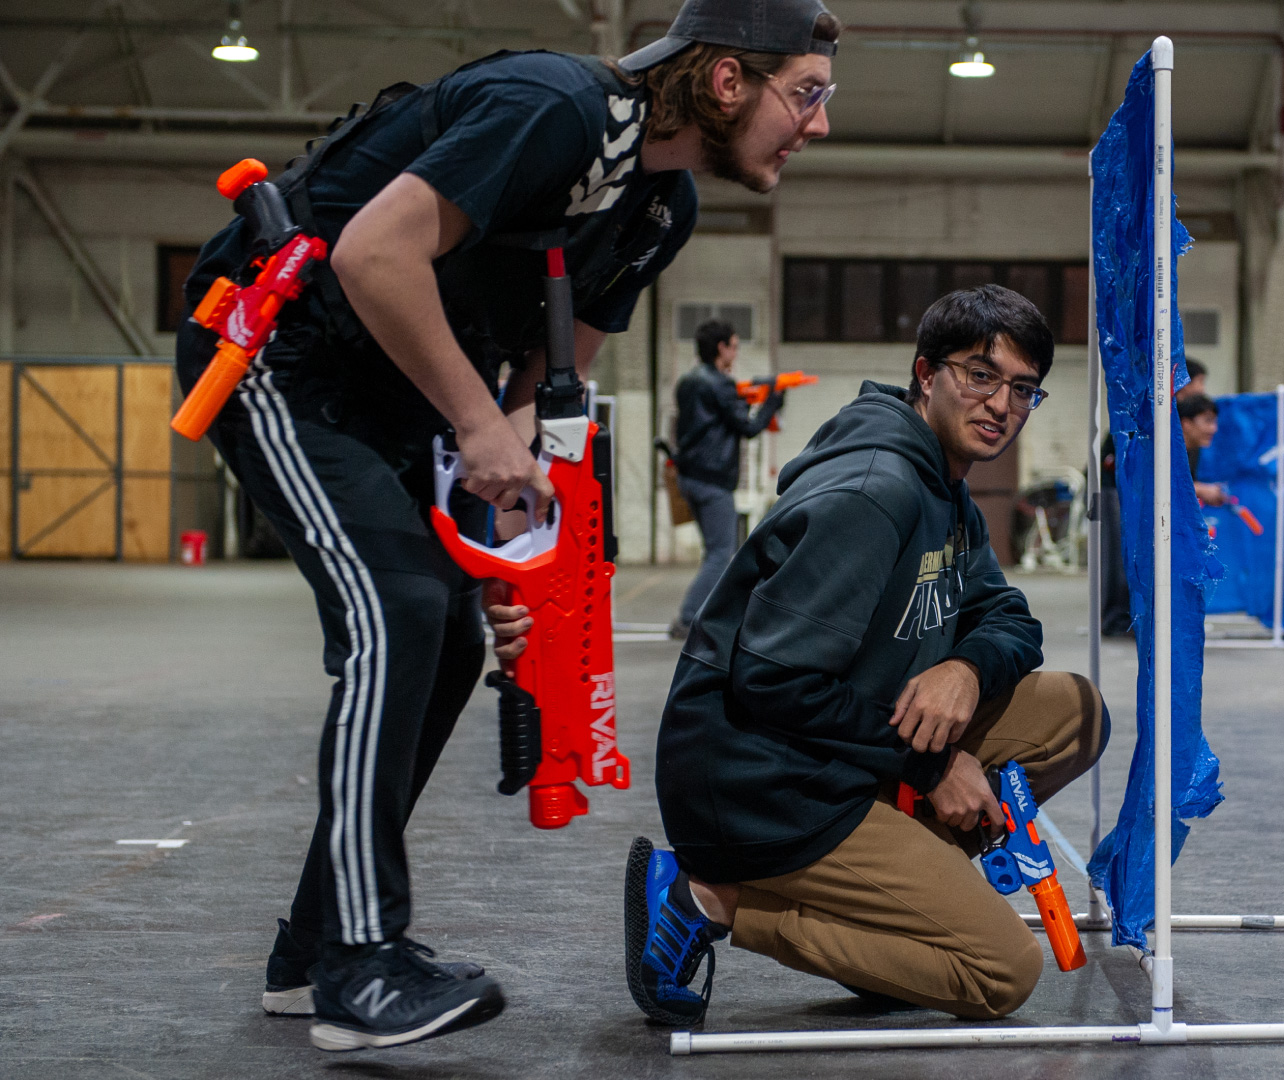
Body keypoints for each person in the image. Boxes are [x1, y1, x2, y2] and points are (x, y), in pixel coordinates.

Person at [175, 0, 840, 1051]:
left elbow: (545, 379)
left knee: (441, 639)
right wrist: (479, 428)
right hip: (286, 362)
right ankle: (360, 962)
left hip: (405, 397)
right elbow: (374, 255)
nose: (819, 123)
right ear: (725, 82)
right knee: (396, 614)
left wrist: (504, 516)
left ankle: (311, 951)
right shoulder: (557, 108)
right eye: (806, 93)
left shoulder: (658, 207)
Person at [615, 285, 1107, 1026]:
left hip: (845, 747)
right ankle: (712, 898)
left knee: (1074, 712)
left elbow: (1008, 617)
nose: (1002, 404)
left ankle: (895, 906)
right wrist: (932, 764)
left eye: (1023, 389)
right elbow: (772, 680)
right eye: (981, 374)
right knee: (1000, 972)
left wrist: (964, 669)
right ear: (925, 372)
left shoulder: (945, 489)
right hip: (765, 779)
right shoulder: (875, 493)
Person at [669, 319, 784, 637]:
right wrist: (771, 401)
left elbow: (718, 413)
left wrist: (749, 393)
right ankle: (688, 617)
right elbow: (747, 428)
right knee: (722, 552)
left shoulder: (689, 381)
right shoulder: (718, 384)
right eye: (734, 345)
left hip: (690, 477)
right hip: (712, 480)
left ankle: (699, 612)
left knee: (714, 551)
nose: (736, 351)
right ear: (721, 348)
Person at [1101, 360, 1208, 635]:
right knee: (1123, 557)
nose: (1201, 389)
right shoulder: (1151, 407)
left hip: (1142, 492)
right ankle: (1118, 620)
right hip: (1118, 488)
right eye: (1199, 382)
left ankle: (1138, 616)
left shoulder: (1171, 415)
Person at [1179, 391, 1227, 507]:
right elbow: (1159, 485)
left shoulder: (1194, 449)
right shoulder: (1163, 451)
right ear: (1186, 424)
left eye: (1215, 422)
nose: (1214, 429)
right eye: (1208, 421)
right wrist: (1200, 489)